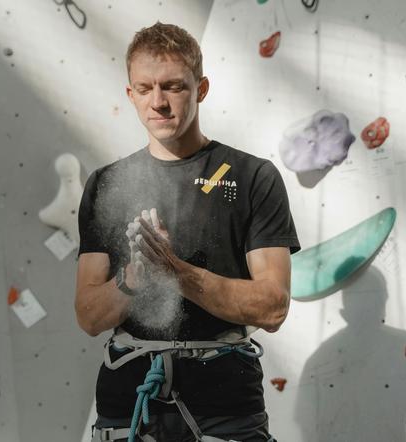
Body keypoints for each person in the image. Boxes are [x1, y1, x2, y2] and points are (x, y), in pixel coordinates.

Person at [75, 21, 301, 442]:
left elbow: (273, 308)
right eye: (144, 89)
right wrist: (135, 279)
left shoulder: (253, 177)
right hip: (130, 408)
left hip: (225, 405)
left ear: (201, 88)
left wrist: (176, 273)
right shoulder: (106, 185)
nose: (157, 102)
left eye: (173, 86)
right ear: (130, 94)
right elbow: (89, 316)